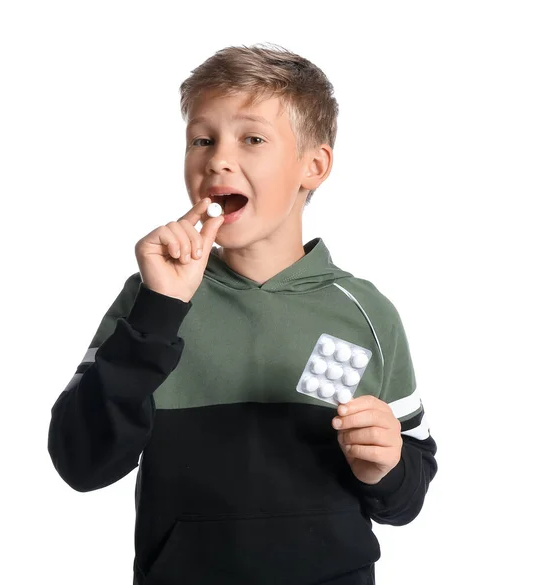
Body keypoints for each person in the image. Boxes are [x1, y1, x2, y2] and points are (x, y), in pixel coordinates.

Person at [48, 43, 438, 585]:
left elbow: (408, 490)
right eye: (201, 140)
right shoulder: (151, 303)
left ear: (314, 166)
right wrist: (161, 310)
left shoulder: (367, 312)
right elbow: (82, 463)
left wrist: (387, 467)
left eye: (252, 139)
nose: (218, 159)